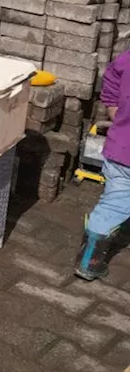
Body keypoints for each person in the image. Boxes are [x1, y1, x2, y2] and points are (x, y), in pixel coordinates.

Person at [76, 49, 130, 280]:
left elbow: (111, 83)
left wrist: (115, 110)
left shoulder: (126, 59)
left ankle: (89, 260)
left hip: (122, 147)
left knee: (114, 202)